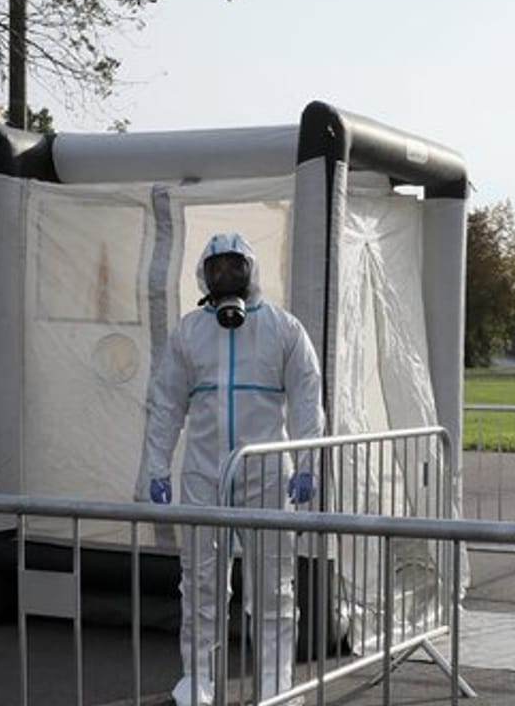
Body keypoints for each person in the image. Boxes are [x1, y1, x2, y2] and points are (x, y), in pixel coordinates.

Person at [139, 232, 324, 706]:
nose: (225, 277)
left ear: (251, 270)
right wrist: (156, 466)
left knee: (273, 584)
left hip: (266, 472)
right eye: (216, 268)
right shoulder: (188, 332)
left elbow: (307, 400)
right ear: (204, 275)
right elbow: (165, 405)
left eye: (234, 267)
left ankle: (276, 684)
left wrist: (307, 463)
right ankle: (197, 679)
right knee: (199, 581)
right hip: (203, 472)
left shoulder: (284, 329)